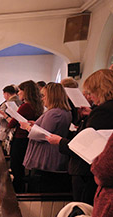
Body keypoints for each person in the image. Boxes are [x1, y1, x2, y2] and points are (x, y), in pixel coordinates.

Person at [47, 69, 113, 204]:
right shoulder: (102, 111)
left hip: (85, 171)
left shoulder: (103, 111)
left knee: (83, 207)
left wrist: (60, 141)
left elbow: (85, 146)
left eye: (91, 93)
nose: (90, 97)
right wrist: (91, 113)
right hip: (91, 171)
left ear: (100, 89)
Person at [20, 82, 72, 192]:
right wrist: (35, 125)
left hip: (46, 156)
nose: (42, 99)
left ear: (52, 96)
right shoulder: (63, 111)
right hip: (52, 154)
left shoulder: (54, 113)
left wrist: (27, 128)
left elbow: (44, 135)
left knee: (40, 188)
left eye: (44, 96)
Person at [3, 80, 44, 193]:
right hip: (29, 139)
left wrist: (5, 115)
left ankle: (17, 192)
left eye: (20, 91)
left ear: (26, 92)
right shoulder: (38, 105)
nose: (19, 93)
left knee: (17, 168)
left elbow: (12, 124)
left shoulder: (26, 106)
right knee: (22, 168)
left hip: (20, 140)